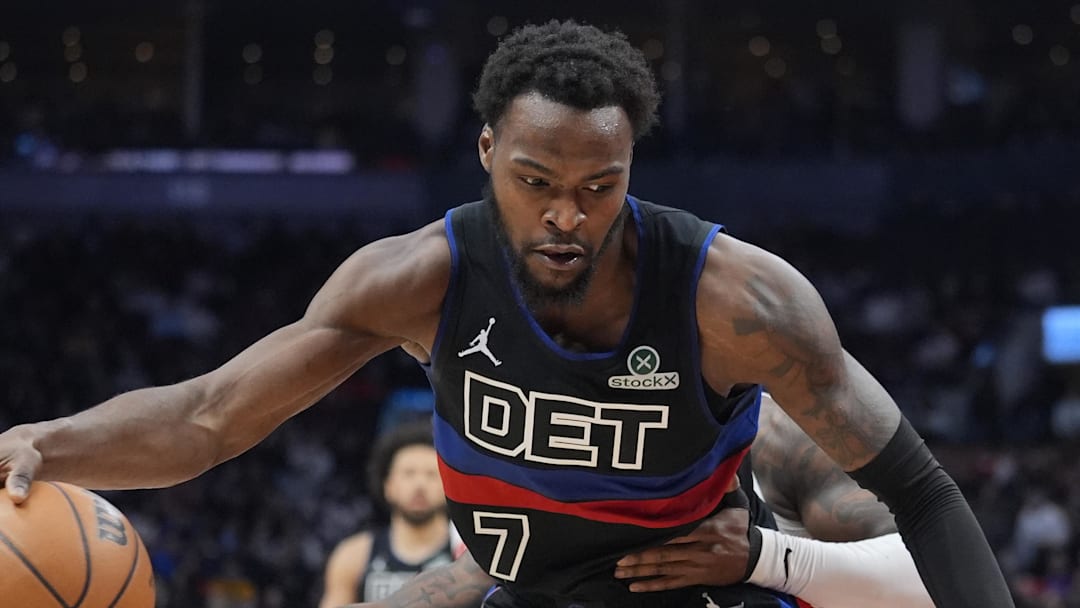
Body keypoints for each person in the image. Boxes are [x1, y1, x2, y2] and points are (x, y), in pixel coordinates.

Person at [0, 19, 1011, 608]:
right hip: (511, 589)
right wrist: (52, 438)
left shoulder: (738, 300)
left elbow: (924, 494)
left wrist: (771, 554)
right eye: (536, 180)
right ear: (487, 154)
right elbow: (207, 416)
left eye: (598, 186)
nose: (567, 214)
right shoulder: (416, 279)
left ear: (632, 171)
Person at [340, 393, 934, 608]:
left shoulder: (782, 438)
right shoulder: (561, 445)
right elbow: (472, 577)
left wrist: (763, 558)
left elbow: (931, 581)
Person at [320, 420, 455, 606]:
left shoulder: (467, 553)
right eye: (409, 473)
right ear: (388, 485)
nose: (420, 485)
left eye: (431, 474)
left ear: (447, 485)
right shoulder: (354, 555)